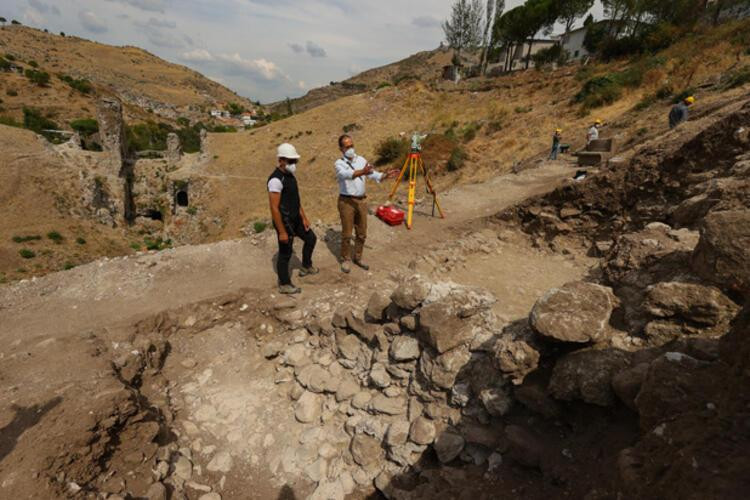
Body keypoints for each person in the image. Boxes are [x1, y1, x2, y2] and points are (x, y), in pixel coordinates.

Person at [334, 134, 398, 273]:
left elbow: (372, 174)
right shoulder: (339, 163)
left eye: (352, 145)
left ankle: (358, 257)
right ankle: (345, 259)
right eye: (347, 146)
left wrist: (385, 175)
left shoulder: (361, 159)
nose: (351, 148)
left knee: (362, 232)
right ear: (341, 149)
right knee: (347, 233)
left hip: (361, 200)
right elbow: (346, 175)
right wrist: (362, 171)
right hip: (346, 201)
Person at [267, 143, 318, 294]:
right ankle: (284, 283)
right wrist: (282, 231)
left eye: (295, 161)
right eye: (290, 161)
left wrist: (304, 218)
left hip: (296, 219)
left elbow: (296, 200)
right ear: (281, 160)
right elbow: (274, 208)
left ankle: (306, 265)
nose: (293, 164)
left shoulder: (290, 176)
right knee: (285, 253)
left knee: (311, 239)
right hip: (285, 222)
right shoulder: (276, 180)